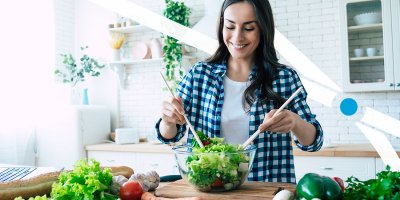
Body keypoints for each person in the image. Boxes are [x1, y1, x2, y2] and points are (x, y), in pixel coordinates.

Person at [155, 0, 323, 184]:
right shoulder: (199, 75)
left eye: (248, 28)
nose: (237, 37)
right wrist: (168, 120)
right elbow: (169, 135)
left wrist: (295, 122)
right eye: (230, 26)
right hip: (210, 190)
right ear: (222, 26)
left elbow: (314, 142)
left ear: (263, 29)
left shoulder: (284, 77)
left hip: (266, 191)